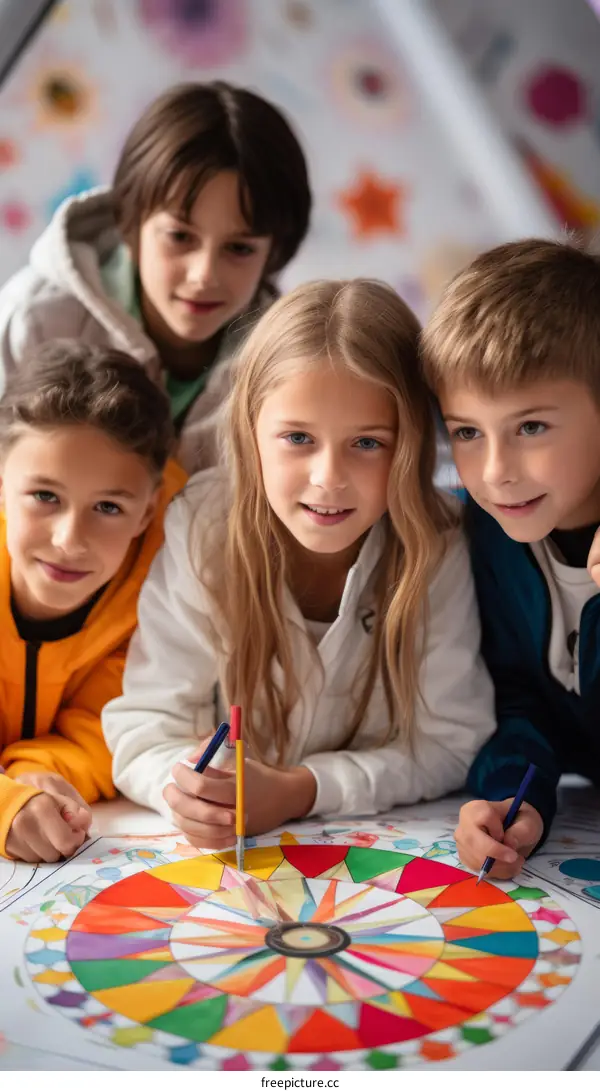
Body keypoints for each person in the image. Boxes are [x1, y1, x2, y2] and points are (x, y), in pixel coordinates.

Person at [103, 279, 495, 848]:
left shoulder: (436, 543)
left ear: (410, 443)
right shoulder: (203, 526)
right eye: (297, 438)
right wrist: (187, 790)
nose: (328, 477)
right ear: (251, 432)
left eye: (367, 443)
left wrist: (301, 790)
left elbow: (451, 741)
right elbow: (144, 726)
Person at [0, 81, 311, 472]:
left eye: (239, 248)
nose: (203, 275)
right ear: (131, 222)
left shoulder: (288, 367)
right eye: (180, 237)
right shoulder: (34, 321)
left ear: (274, 252)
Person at [420, 237, 600, 878]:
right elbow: (518, 701)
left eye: (530, 427)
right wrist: (514, 798)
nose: (494, 472)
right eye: (467, 432)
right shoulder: (489, 536)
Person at [0, 341, 186, 862]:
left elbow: (114, 728)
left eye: (107, 506)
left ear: (147, 514)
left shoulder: (161, 603)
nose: (68, 539)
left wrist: (36, 771)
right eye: (44, 496)